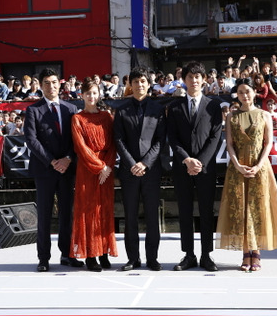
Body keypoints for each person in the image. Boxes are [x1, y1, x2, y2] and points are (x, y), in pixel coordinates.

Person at [215, 78, 277, 271]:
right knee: (241, 209)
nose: (244, 95)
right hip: (238, 168)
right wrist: (238, 165)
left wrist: (258, 166)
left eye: (247, 91)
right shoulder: (231, 117)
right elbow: (229, 144)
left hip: (260, 168)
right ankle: (245, 253)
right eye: (240, 92)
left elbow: (268, 144)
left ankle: (256, 253)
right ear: (237, 95)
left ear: (254, 92)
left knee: (257, 208)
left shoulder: (265, 115)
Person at [24, 68, 83, 272]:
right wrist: (52, 162)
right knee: (45, 215)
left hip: (67, 169)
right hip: (45, 170)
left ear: (61, 84)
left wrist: (67, 159)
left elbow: (77, 139)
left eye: (54, 82)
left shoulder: (71, 109)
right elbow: (32, 140)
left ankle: (67, 254)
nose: (51, 86)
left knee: (67, 213)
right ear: (40, 86)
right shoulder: (33, 110)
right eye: (47, 83)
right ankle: (43, 258)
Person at [166, 61, 223, 272]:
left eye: (198, 77)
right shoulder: (174, 107)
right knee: (185, 211)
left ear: (204, 79)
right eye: (190, 77)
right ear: (184, 80)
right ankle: (188, 254)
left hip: (205, 168)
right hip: (182, 167)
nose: (194, 80)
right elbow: (172, 137)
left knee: (207, 210)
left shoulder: (213, 105)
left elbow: (216, 136)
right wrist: (187, 160)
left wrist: (200, 162)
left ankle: (206, 255)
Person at [113, 67, 166, 272]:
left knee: (152, 216)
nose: (139, 85)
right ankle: (133, 258)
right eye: (135, 82)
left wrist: (145, 163)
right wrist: (131, 163)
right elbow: (118, 139)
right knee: (130, 217)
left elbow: (161, 140)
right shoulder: (123, 109)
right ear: (130, 85)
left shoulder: (158, 109)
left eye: (143, 81)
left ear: (148, 84)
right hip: (128, 171)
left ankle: (152, 258)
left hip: (151, 171)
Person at [69, 77, 118, 272]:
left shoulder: (107, 117)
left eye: (95, 93)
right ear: (82, 95)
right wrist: (100, 168)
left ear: (99, 95)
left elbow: (114, 144)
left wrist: (108, 166)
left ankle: (104, 251)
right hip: (88, 170)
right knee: (88, 211)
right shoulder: (77, 119)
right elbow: (80, 148)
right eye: (88, 93)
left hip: (106, 169)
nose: (91, 96)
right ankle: (90, 255)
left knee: (104, 209)